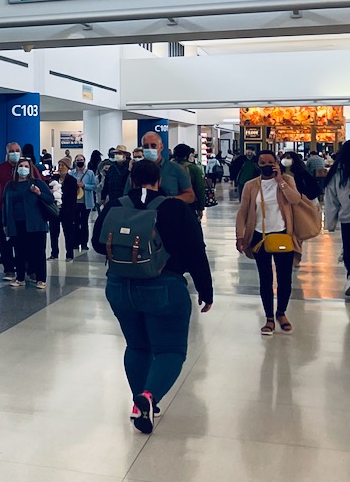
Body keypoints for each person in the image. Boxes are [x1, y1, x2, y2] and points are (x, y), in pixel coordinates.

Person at [93, 159, 213, 434]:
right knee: (170, 350)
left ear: (132, 180)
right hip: (164, 287)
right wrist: (205, 290)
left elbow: (98, 244)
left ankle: (139, 402)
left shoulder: (115, 205)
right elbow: (196, 251)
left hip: (120, 288)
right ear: (159, 180)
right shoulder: (176, 208)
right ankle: (148, 397)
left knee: (137, 346)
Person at [235, 151, 306, 336]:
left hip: (283, 235)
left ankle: (281, 313)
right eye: (263, 162)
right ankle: (268, 318)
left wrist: (280, 180)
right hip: (259, 238)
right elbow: (242, 212)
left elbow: (295, 199)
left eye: (270, 162)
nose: (266, 165)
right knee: (265, 279)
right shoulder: (251, 186)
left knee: (284, 278)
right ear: (258, 164)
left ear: (276, 163)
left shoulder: (287, 181)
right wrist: (240, 236)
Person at [3, 156, 55, 289]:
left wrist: (38, 193)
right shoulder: (10, 185)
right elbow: (5, 204)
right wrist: (5, 223)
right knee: (19, 251)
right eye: (21, 166)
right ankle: (20, 278)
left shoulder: (36, 183)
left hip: (36, 223)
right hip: (17, 223)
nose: (23, 169)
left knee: (38, 251)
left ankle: (41, 278)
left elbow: (50, 199)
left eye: (26, 167)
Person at [0, 141, 21, 273]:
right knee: (3, 240)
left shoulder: (25, 167)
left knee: (19, 240)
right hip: (2, 210)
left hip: (19, 212)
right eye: (11, 151)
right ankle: (8, 267)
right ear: (7, 154)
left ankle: (21, 267)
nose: (15, 153)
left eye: (17, 150)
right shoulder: (0, 168)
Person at [323, 142, 350, 297]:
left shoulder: (337, 172)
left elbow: (331, 199)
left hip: (347, 218)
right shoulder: (338, 172)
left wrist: (331, 223)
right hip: (347, 217)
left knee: (349, 249)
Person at [59, 160, 85, 261]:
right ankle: (54, 253)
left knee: (68, 233)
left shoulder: (71, 180)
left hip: (67, 210)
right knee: (54, 232)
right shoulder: (54, 179)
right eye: (59, 165)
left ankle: (69, 254)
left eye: (63, 165)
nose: (60, 167)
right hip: (56, 209)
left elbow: (73, 198)